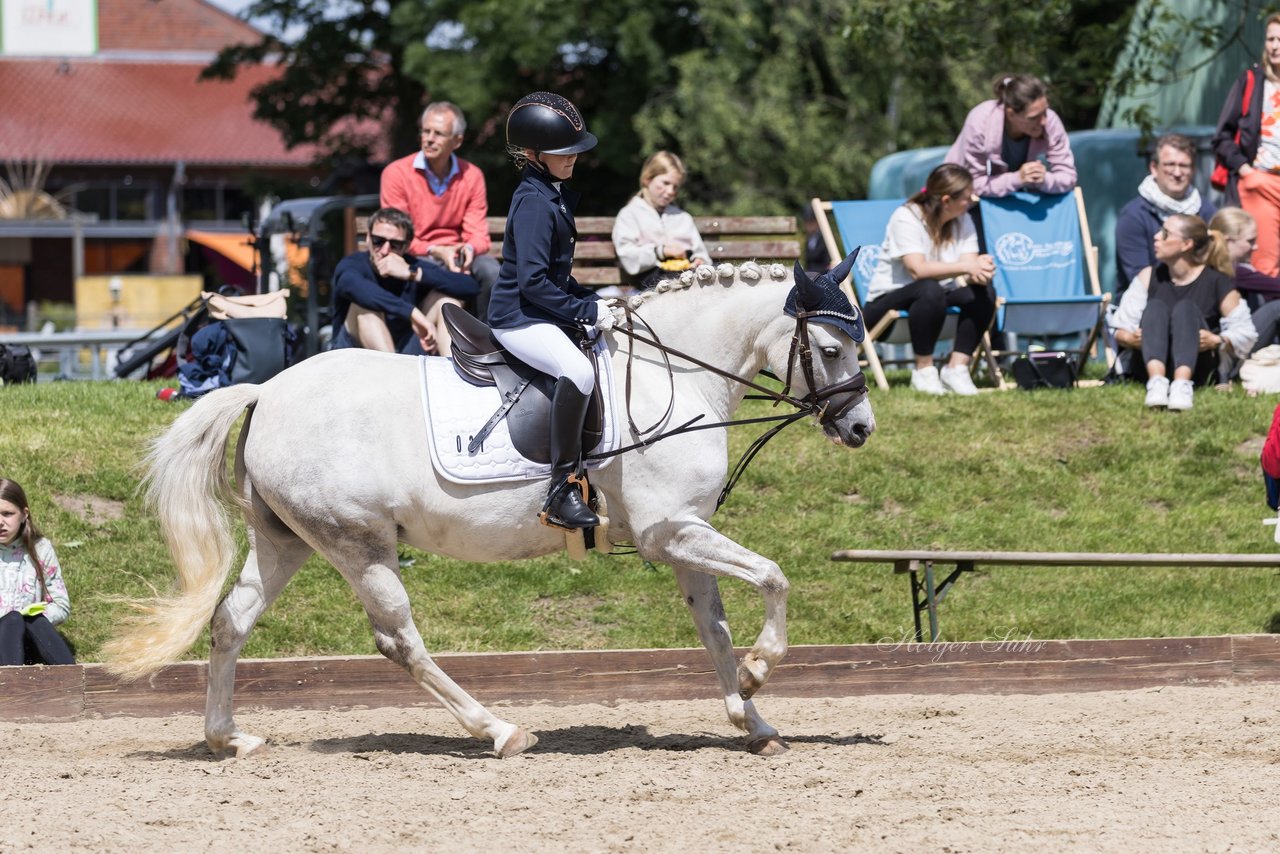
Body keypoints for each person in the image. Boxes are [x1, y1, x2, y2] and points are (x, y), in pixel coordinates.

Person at [487, 92, 624, 530]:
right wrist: (585, 310)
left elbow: (557, 278)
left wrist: (597, 301)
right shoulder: (533, 201)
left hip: (541, 309)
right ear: (533, 154)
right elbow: (532, 283)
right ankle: (561, 490)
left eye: (574, 150)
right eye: (563, 152)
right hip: (518, 318)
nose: (573, 159)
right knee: (579, 373)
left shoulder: (551, 193)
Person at [863, 163, 997, 396]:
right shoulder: (906, 216)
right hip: (883, 314)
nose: (972, 201)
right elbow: (918, 270)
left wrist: (981, 271)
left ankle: (956, 369)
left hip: (935, 302)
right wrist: (969, 266)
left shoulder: (963, 219)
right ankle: (923, 371)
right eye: (966, 197)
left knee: (983, 292)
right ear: (946, 201)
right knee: (929, 288)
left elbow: (969, 266)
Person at [1108, 214, 1252, 410]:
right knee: (1156, 307)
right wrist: (1130, 338)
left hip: (1198, 369)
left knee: (1185, 309)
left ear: (1186, 244)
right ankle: (1157, 383)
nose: (1157, 237)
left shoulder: (1217, 281)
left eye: (1165, 234)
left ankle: (1182, 385)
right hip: (1148, 366)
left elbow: (1246, 333)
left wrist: (1217, 340)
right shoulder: (1149, 276)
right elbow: (1118, 327)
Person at [380, 101, 501, 317]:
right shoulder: (396, 173)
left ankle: (486, 340)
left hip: (457, 255)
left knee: (491, 271)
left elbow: (478, 234)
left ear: (457, 141)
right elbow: (398, 236)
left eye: (438, 133)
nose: (429, 139)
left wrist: (469, 250)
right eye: (426, 131)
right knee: (428, 272)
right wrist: (435, 250)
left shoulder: (472, 176)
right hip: (416, 254)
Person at [330, 206, 478, 357]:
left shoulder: (411, 267)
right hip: (354, 357)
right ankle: (393, 373)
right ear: (368, 238)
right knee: (362, 307)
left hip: (407, 357)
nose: (385, 250)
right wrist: (412, 313)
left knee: (446, 302)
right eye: (378, 241)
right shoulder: (352, 264)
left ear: (406, 246)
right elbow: (350, 285)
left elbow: (470, 287)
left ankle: (451, 374)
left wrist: (412, 273)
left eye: (395, 245)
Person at [1212, 12, 1280, 274]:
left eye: (1279, 39)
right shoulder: (1252, 80)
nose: (1274, 45)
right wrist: (1245, 171)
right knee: (1265, 266)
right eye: (1270, 39)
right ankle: (1270, 315)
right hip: (1260, 181)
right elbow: (1222, 136)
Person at [945, 74, 1077, 199]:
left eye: (1045, 112)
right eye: (1034, 118)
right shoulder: (980, 123)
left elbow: (1068, 177)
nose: (1043, 121)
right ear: (1011, 114)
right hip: (963, 199)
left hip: (1020, 199)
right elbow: (973, 185)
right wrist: (1018, 179)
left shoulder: (1050, 122)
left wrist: (1044, 180)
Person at [1115, 134, 1216, 294]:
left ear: (1193, 170)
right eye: (1170, 164)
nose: (1177, 172)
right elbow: (1138, 279)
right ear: (1154, 168)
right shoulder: (1134, 216)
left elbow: (1217, 265)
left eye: (1184, 166)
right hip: (1146, 306)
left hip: (1200, 300)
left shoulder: (1206, 210)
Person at [0, 477, 74, 666]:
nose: (0, 522)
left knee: (35, 621)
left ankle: (73, 682)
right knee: (12, 620)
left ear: (24, 514)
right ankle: (11, 689)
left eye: (7, 514)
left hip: (28, 641)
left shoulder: (40, 549)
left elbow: (61, 604)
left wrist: (30, 616)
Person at [611, 151, 711, 290]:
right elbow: (628, 255)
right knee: (669, 282)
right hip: (652, 276)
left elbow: (700, 252)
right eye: (665, 183)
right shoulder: (630, 215)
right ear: (647, 179)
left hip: (687, 273)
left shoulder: (683, 218)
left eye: (675, 187)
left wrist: (699, 261)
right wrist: (661, 251)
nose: (670, 191)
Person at [1210, 207, 1280, 354]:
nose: (1255, 247)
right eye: (1250, 241)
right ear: (1228, 242)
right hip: (1229, 347)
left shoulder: (1237, 269)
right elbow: (1276, 287)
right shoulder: (1231, 272)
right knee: (1276, 308)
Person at [802, 206, 832, 274]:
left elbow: (828, 264)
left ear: (817, 222)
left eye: (811, 222)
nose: (808, 226)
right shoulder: (809, 239)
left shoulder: (825, 239)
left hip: (822, 275)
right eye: (807, 223)